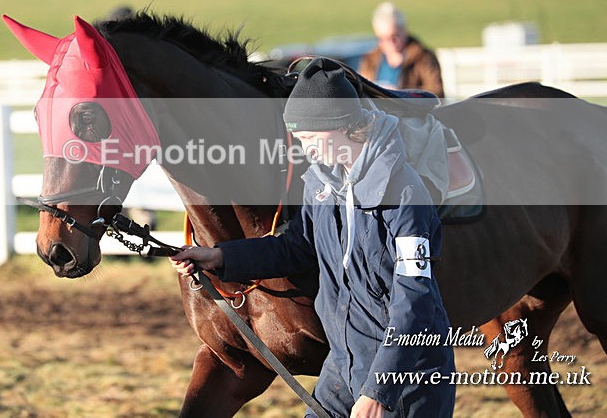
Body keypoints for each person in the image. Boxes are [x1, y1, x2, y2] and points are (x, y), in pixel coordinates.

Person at [170, 57, 455, 418]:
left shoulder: (405, 195)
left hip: (407, 381)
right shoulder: (322, 183)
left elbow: (414, 302)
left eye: (308, 137)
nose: (305, 149)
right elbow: (297, 247)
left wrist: (380, 391)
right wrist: (219, 258)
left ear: (341, 126)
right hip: (342, 369)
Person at [358, 2, 444, 98]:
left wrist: (401, 94)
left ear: (404, 31)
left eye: (394, 37)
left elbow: (437, 93)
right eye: (383, 38)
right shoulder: (370, 59)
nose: (390, 43)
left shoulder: (423, 57)